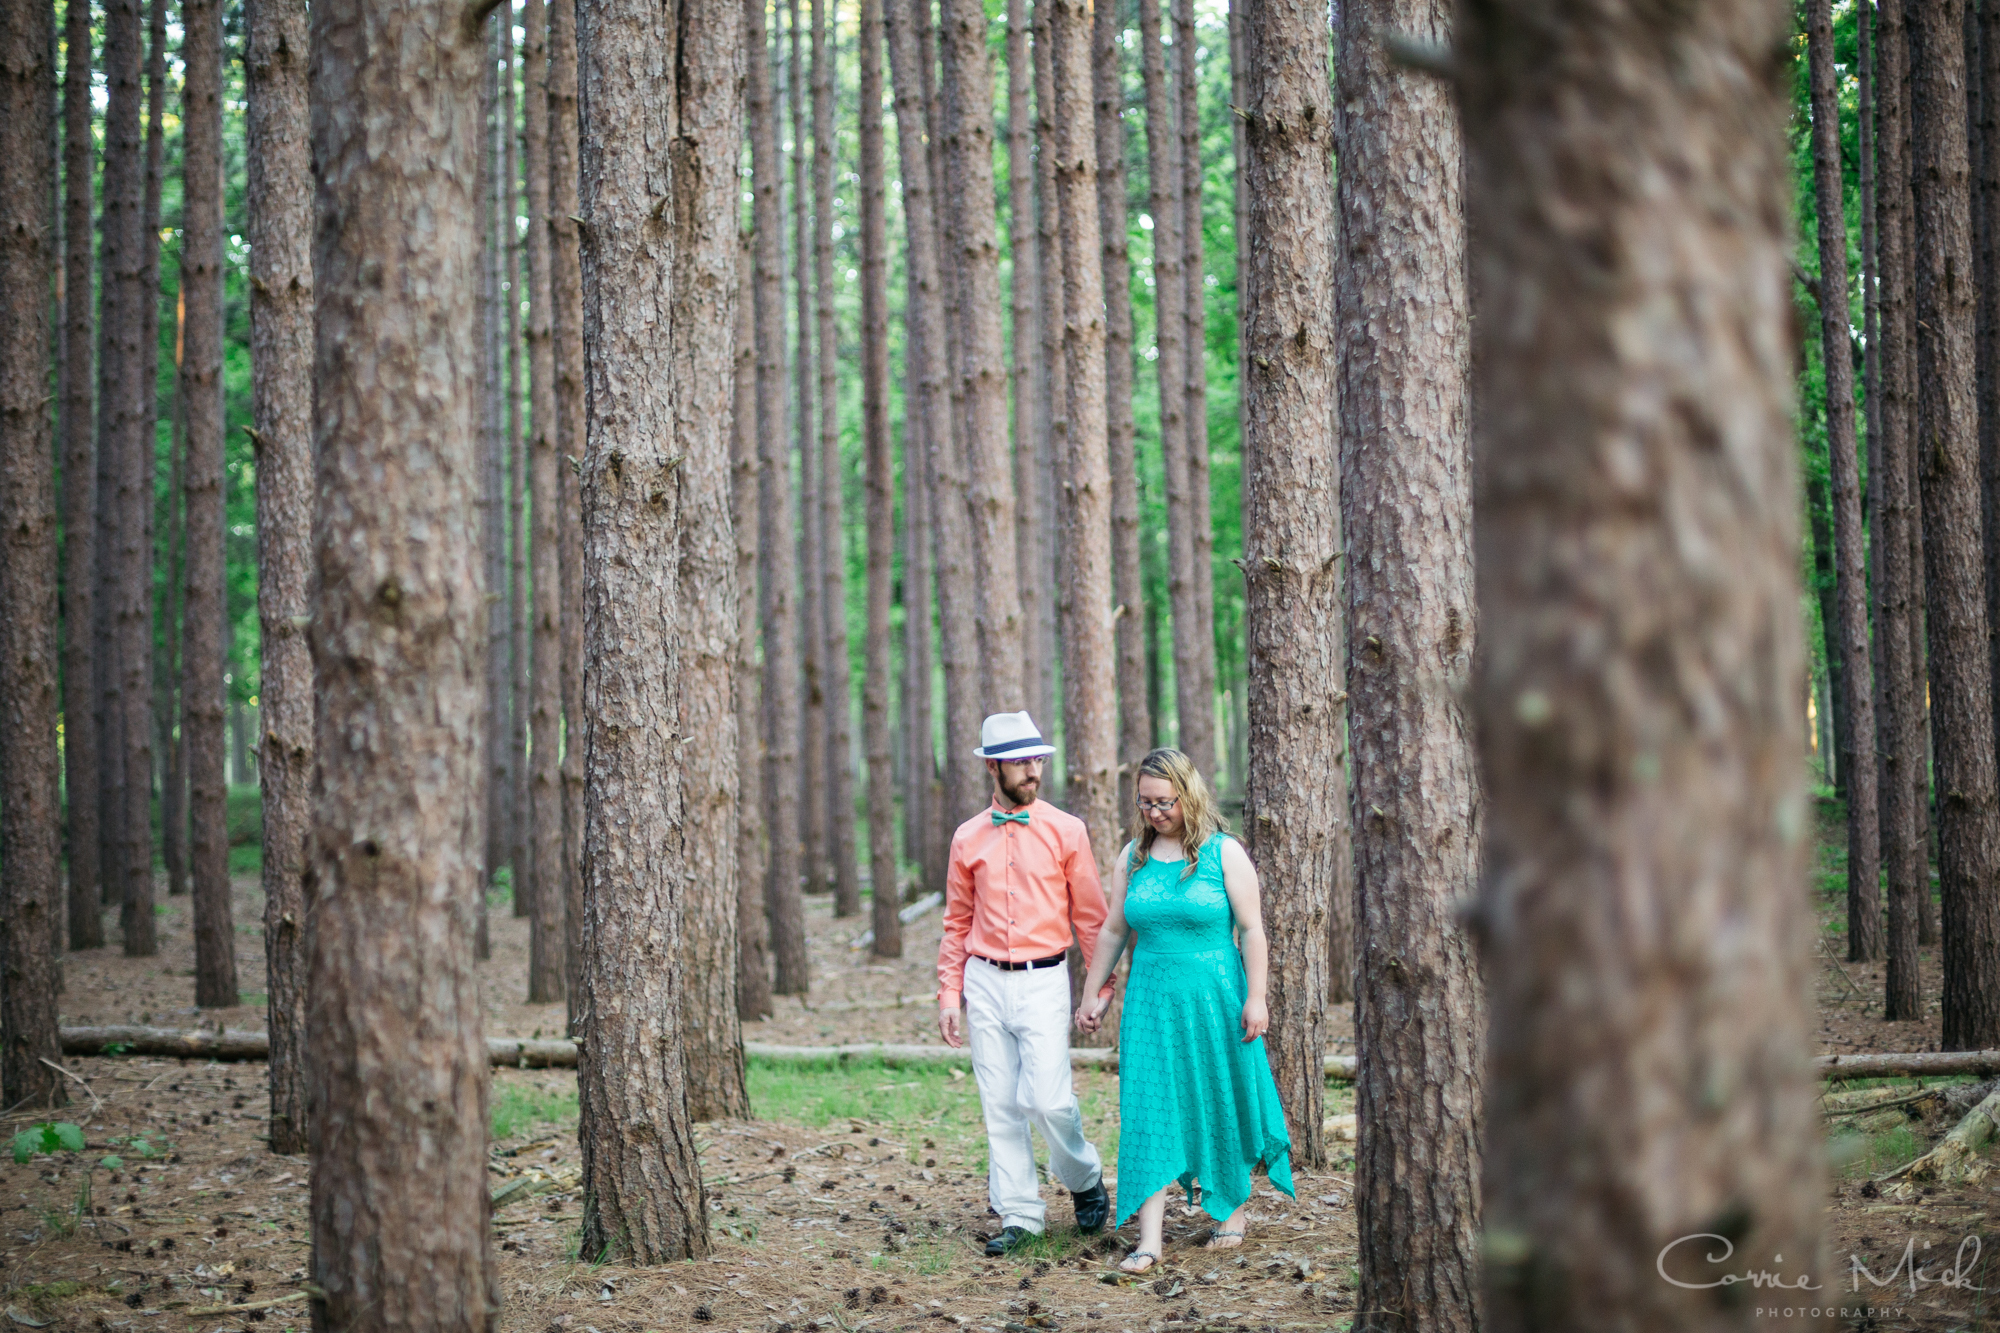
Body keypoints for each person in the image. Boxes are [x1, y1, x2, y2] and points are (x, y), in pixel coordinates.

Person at [1075, 747, 1293, 1273]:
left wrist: (1256, 997)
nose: (1153, 812)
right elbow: (1112, 928)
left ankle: (1231, 1210)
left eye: (1163, 801)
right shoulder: (1134, 856)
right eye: (1145, 802)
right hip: (1151, 1003)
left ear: (1187, 795)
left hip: (1215, 998)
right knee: (1149, 1108)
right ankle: (1149, 1238)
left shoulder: (1224, 853)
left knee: (1219, 1097)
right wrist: (1090, 992)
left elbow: (1252, 930)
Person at [937, 711, 1114, 1257]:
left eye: (1037, 759)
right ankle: (1020, 1216)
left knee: (1046, 1100)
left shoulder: (1067, 830)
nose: (1033, 770)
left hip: (1044, 979)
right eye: (1021, 761)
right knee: (1001, 1105)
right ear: (994, 766)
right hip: (984, 980)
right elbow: (956, 921)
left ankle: (1084, 1178)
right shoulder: (967, 837)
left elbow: (1091, 918)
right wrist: (949, 991)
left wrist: (1099, 990)